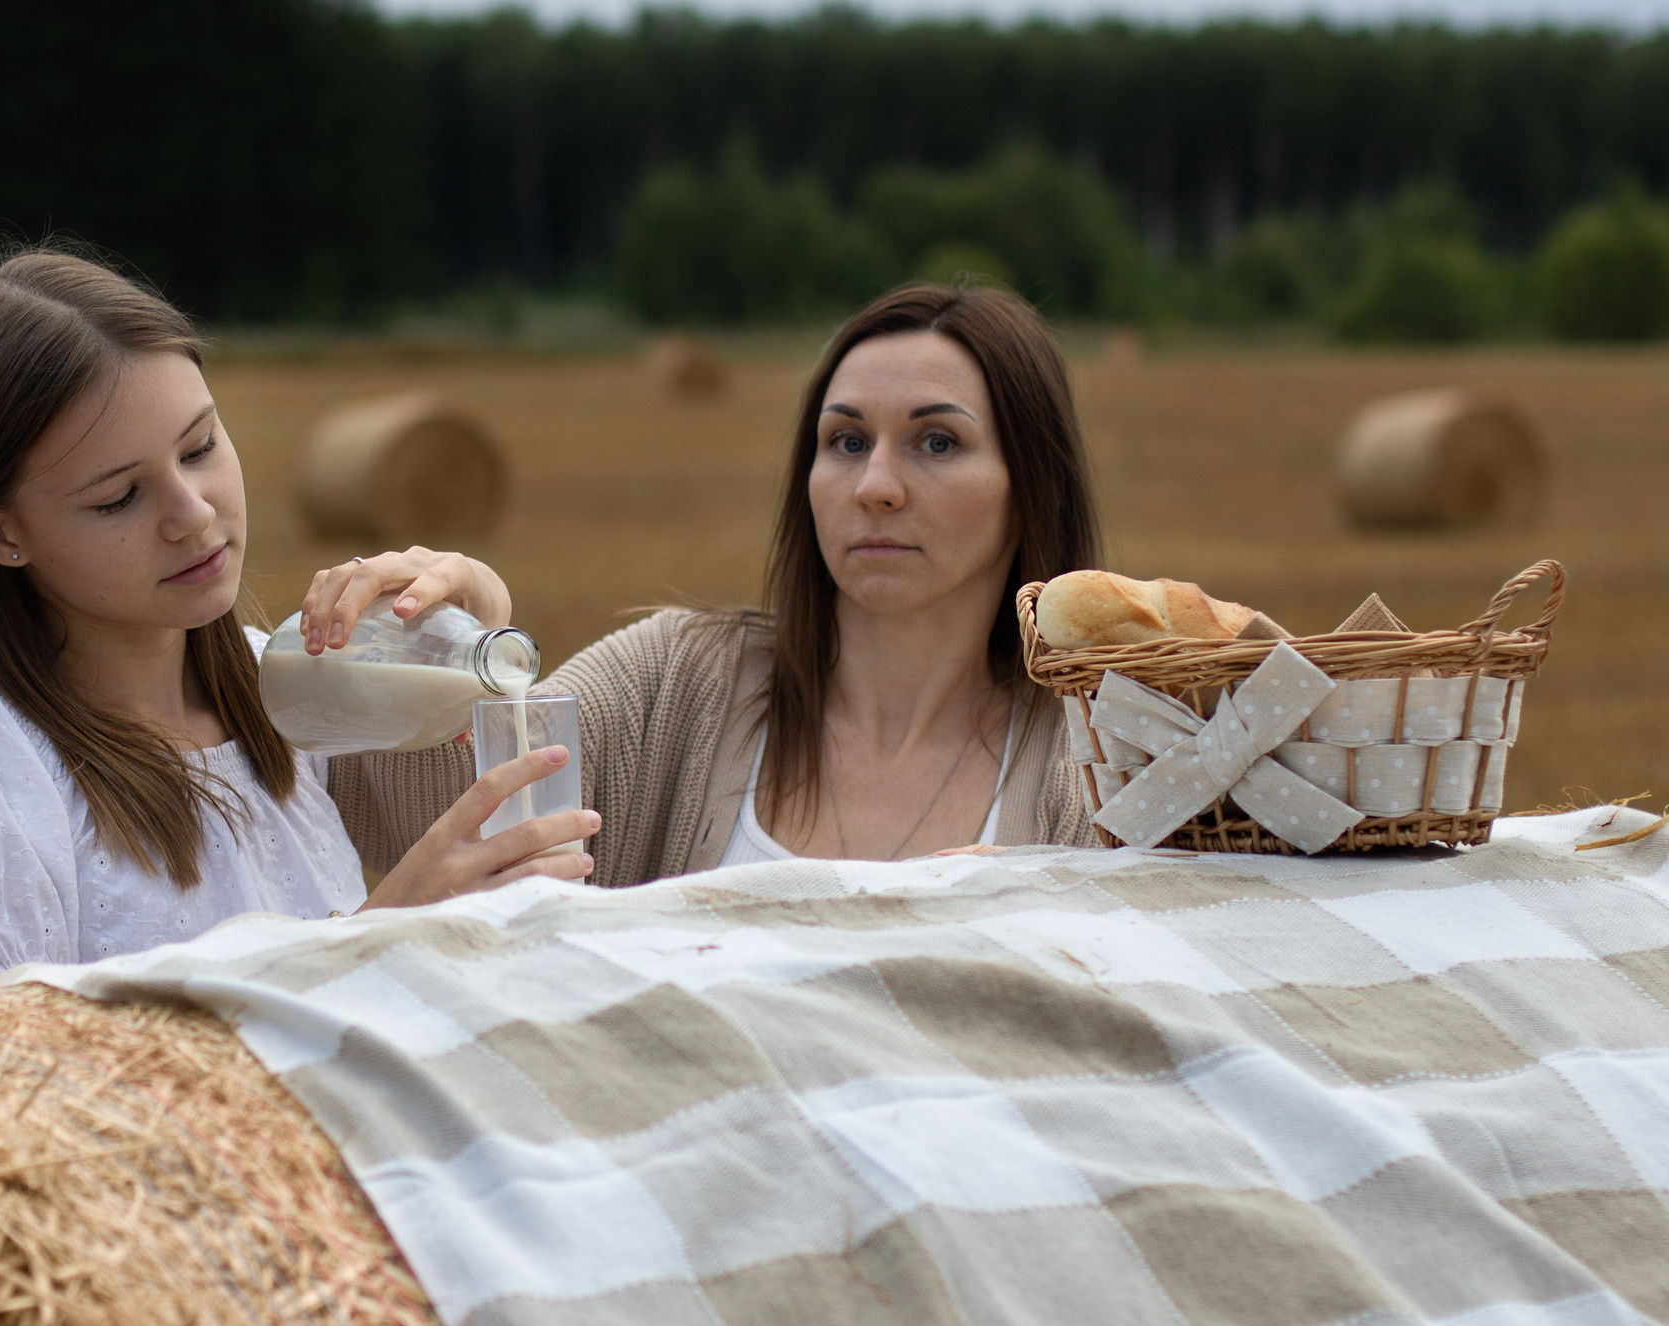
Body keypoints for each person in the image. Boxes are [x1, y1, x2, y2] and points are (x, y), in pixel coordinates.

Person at [0, 248, 594, 999]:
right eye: (118, 498)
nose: (193, 512)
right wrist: (378, 936)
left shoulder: (287, 682)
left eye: (199, 447)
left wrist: (470, 634)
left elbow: (473, 817)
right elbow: (12, 1067)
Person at [316, 281, 1105, 881]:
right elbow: (442, 820)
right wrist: (457, 654)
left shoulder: (1100, 769)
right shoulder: (679, 682)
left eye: (937, 443)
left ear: (1032, 485)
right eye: (846, 440)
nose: (875, 486)